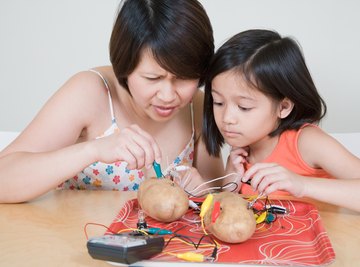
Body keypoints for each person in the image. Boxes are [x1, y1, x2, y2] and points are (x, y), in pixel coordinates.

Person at [0, 0, 224, 203]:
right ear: (125, 66)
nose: (167, 95)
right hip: (75, 244)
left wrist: (202, 192)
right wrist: (94, 150)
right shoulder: (90, 92)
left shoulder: (198, 107)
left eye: (184, 78)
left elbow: (217, 197)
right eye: (152, 78)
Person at [202, 29, 360, 212]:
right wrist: (231, 184)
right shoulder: (241, 152)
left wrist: (302, 185)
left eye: (244, 107)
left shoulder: (306, 142)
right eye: (219, 102)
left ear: (283, 107)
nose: (227, 118)